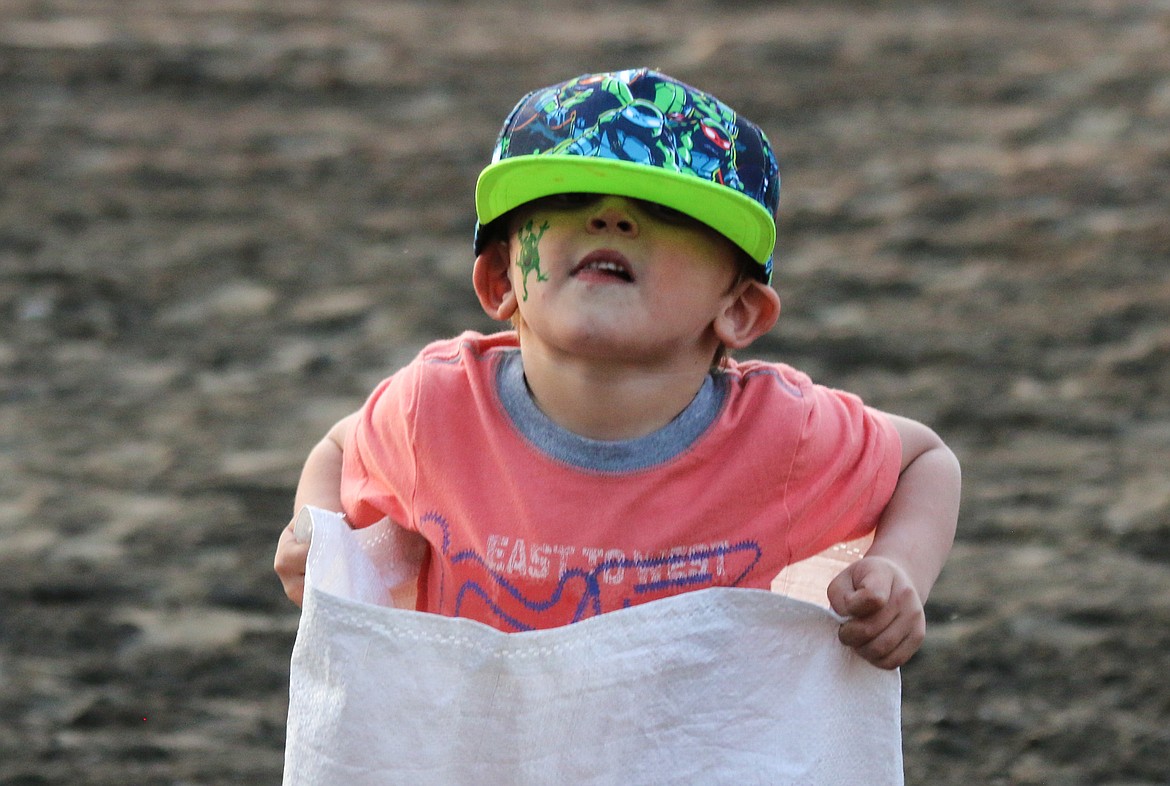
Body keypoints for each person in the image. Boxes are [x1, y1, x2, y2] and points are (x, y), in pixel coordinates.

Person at [274, 68, 960, 670]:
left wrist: (900, 568)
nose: (611, 219)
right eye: (569, 201)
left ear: (740, 310)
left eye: (664, 211)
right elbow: (343, 448)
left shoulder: (781, 436)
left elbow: (923, 461)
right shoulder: (438, 411)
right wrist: (315, 531)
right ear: (498, 282)